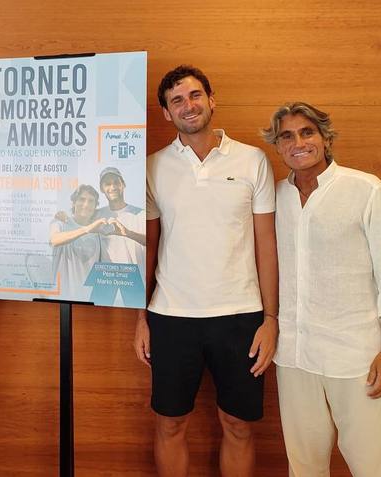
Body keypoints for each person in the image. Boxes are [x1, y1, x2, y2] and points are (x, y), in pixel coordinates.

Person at [136, 65, 278, 477]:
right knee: (170, 423)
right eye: (176, 100)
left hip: (241, 317)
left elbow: (266, 246)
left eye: (195, 95)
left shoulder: (253, 161)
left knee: (237, 425)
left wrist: (271, 319)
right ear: (166, 113)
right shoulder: (152, 167)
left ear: (211, 100)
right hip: (171, 316)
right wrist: (140, 317)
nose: (188, 105)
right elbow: (146, 247)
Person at [261, 102, 381, 477]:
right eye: (287, 136)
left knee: (371, 465)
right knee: (305, 465)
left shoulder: (366, 190)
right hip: (294, 356)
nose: (298, 142)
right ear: (278, 147)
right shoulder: (272, 200)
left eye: (307, 132)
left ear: (326, 138)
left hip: (356, 357)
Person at [49, 184, 104, 300]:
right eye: (82, 199)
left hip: (88, 300)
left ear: (95, 206)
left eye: (91, 201)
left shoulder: (98, 232)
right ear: (74, 202)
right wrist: (86, 229)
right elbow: (54, 240)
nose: (86, 204)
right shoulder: (59, 222)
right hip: (60, 298)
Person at [94, 166, 146, 271]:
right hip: (107, 281)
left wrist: (128, 233)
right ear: (102, 189)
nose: (112, 187)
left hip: (135, 281)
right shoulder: (96, 216)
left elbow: (152, 242)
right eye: (107, 184)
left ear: (123, 184)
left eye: (116, 182)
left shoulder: (141, 214)